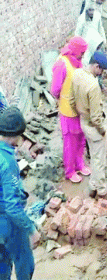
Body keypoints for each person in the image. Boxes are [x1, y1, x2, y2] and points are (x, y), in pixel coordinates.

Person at [0, 107, 41, 279]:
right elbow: (12, 207)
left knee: (2, 266)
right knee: (25, 263)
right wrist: (31, 228)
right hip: (8, 224)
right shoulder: (7, 163)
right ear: (16, 136)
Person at [51, 36, 91, 183]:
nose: (84, 55)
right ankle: (70, 171)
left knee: (81, 138)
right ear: (76, 51)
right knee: (70, 143)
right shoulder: (62, 64)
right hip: (68, 111)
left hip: (79, 109)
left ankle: (80, 164)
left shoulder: (78, 62)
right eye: (83, 52)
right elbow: (55, 89)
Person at [71, 51, 107, 198]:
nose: (101, 74)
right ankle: (101, 191)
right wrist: (102, 130)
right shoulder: (93, 85)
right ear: (96, 66)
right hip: (93, 126)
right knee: (99, 159)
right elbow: (96, 117)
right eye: (101, 70)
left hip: (83, 121)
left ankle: (92, 187)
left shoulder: (77, 74)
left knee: (94, 156)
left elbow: (72, 99)